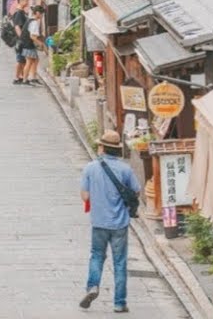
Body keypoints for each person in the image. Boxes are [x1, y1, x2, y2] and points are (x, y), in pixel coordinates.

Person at [80, 131, 141, 313]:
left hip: (99, 222)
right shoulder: (125, 169)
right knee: (120, 262)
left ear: (102, 148)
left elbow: (85, 195)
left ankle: (92, 286)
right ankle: (119, 303)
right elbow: (136, 191)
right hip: (120, 223)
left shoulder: (90, 168)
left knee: (97, 256)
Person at [10, 0, 32, 85]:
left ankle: (22, 76)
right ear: (21, 0)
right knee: (20, 60)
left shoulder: (22, 11)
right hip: (20, 40)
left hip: (22, 39)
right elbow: (17, 27)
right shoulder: (19, 13)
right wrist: (22, 39)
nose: (27, 2)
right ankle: (16, 77)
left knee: (22, 59)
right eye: (26, 0)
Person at [22, 5, 46, 86]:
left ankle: (33, 78)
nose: (42, 16)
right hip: (28, 44)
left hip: (26, 43)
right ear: (38, 13)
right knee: (29, 61)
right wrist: (40, 43)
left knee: (35, 60)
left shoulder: (30, 20)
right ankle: (25, 80)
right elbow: (32, 36)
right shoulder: (34, 22)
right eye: (42, 14)